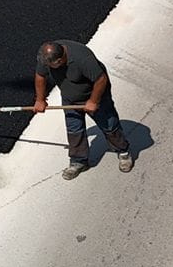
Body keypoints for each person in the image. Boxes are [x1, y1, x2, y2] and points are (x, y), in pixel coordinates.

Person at [32, 40, 134, 179]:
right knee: (74, 129)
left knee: (109, 124)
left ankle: (123, 152)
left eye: (51, 65)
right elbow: (40, 76)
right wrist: (40, 99)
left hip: (95, 94)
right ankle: (78, 161)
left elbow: (101, 79)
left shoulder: (82, 58)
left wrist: (93, 101)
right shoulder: (46, 56)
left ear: (60, 60)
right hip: (69, 97)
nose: (47, 67)